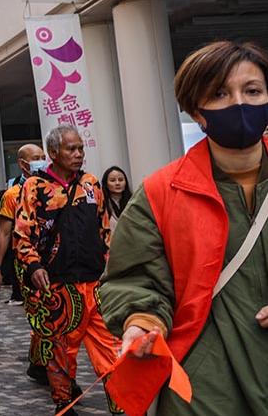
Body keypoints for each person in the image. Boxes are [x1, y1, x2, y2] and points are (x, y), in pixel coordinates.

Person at [99, 40, 268, 415]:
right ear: (197, 112)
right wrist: (140, 322)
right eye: (220, 94)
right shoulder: (161, 192)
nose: (240, 103)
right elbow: (133, 277)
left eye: (252, 90)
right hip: (205, 380)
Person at [13, 125, 122, 416]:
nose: (78, 154)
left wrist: (109, 265)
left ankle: (124, 406)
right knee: (61, 351)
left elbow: (103, 229)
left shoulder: (90, 184)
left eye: (81, 149)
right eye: (71, 149)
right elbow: (22, 233)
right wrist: (34, 266)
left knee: (111, 350)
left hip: (95, 283)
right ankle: (64, 403)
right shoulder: (34, 187)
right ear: (53, 153)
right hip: (58, 287)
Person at [0, 143, 52, 384]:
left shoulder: (54, 188)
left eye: (43, 157)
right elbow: (3, 234)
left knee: (54, 315)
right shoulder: (13, 195)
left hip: (55, 261)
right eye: (36, 158)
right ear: (23, 163)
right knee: (39, 314)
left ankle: (40, 361)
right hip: (26, 262)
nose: (41, 161)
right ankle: (45, 364)